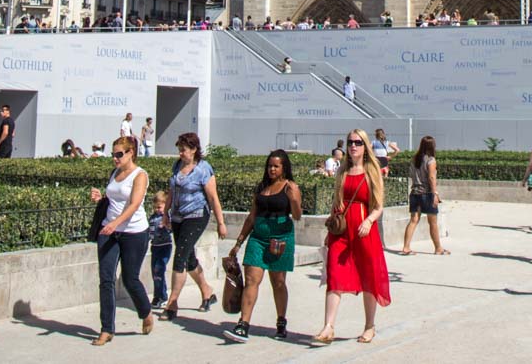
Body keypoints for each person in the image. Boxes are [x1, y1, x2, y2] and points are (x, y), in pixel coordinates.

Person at [314, 129, 391, 346]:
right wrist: (331, 226)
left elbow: (378, 206)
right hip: (342, 228)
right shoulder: (342, 171)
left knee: (368, 277)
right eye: (350, 142)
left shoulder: (371, 171)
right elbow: (335, 200)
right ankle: (328, 326)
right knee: (335, 274)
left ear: (365, 146)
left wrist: (368, 221)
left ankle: (369, 326)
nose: (353, 146)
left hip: (364, 229)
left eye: (358, 142)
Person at [225, 149, 302, 343]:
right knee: (252, 279)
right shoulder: (261, 187)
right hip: (258, 238)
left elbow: (298, 215)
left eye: (276, 166)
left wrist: (293, 200)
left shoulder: (290, 187)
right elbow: (252, 216)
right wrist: (239, 242)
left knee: (278, 282)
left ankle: (281, 321)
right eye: (270, 166)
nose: (272, 169)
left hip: (280, 238)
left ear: (284, 168)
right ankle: (243, 324)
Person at [88, 136, 155, 344]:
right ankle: (107, 329)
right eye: (113, 155)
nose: (115, 159)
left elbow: (134, 204)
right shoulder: (114, 173)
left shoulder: (140, 175)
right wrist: (101, 198)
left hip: (134, 232)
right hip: (109, 231)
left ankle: (145, 312)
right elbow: (114, 199)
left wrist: (116, 223)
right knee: (106, 279)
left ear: (131, 153)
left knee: (129, 279)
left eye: (119, 154)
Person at [163, 132, 228, 320]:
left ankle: (172, 303)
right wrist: (166, 214)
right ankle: (207, 291)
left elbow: (213, 197)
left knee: (180, 257)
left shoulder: (203, 169)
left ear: (193, 149)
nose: (181, 154)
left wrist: (221, 223)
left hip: (197, 215)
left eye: (183, 150)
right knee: (189, 258)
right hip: (177, 216)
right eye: (179, 150)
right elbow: (171, 192)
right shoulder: (177, 166)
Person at [401, 135, 447, 255]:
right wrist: (435, 193)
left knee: (413, 220)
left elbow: (411, 174)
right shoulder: (431, 160)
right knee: (432, 222)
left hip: (415, 192)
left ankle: (406, 247)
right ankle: (438, 248)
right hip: (426, 193)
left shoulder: (414, 159)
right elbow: (431, 177)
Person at [147, 189, 173, 309]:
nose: (157, 210)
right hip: (155, 247)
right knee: (155, 272)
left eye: (160, 207)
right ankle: (158, 295)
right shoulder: (152, 218)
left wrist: (166, 226)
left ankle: (161, 296)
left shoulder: (166, 217)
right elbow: (150, 233)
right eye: (156, 207)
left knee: (159, 269)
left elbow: (171, 229)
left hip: (165, 246)